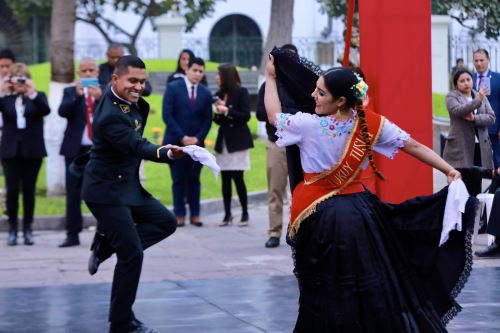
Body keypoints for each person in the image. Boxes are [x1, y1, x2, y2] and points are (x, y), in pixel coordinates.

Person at [264, 48, 474, 332]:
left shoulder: (307, 125)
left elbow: (274, 115)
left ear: (340, 101)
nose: (313, 95)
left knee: (324, 286)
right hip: (362, 216)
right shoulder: (371, 124)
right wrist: (447, 169)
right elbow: (412, 146)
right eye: (316, 90)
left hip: (321, 217)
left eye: (321, 93)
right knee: (369, 283)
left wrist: (270, 78)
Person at [82, 55, 184, 333]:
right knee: (132, 255)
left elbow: (138, 99)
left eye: (142, 81)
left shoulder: (123, 97)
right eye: (132, 81)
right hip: (105, 192)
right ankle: (121, 322)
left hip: (125, 186)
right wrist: (166, 151)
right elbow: (137, 144)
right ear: (114, 79)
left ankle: (107, 243)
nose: (139, 87)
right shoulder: (110, 117)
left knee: (166, 222)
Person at [0, 63, 50, 246]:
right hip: (10, 152)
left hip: (32, 151)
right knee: (12, 191)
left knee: (29, 191)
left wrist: (32, 92)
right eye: (16, 78)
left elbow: (46, 110)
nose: (19, 83)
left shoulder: (37, 97)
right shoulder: (5, 99)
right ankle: (13, 228)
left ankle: (28, 228)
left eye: (23, 78)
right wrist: (2, 90)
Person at [57, 58, 103, 247]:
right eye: (83, 71)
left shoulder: (106, 91)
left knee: (101, 193)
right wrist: (77, 96)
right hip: (75, 151)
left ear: (97, 73)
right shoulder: (70, 91)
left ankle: (104, 234)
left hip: (99, 150)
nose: (87, 74)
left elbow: (117, 113)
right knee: (73, 194)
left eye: (91, 70)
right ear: (78, 73)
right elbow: (62, 112)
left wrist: (100, 98)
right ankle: (72, 234)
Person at [162, 57, 212, 227]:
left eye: (201, 71)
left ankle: (195, 214)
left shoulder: (205, 92)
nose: (198, 74)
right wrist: (182, 137)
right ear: (187, 70)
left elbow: (207, 119)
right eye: (195, 70)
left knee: (194, 179)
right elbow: (167, 115)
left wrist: (198, 138)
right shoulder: (173, 88)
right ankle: (179, 214)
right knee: (178, 179)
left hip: (197, 145)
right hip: (176, 143)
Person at [257, 44, 297, 246]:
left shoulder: (300, 84)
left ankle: (298, 230)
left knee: (299, 190)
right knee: (275, 190)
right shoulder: (268, 86)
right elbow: (261, 114)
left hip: (299, 145)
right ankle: (274, 232)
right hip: (277, 143)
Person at [443, 68, 495, 197]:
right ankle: (459, 215)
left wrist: (475, 118)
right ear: (456, 84)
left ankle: (474, 214)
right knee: (460, 188)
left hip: (479, 148)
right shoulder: (452, 96)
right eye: (462, 81)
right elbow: (459, 111)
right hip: (460, 149)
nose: (466, 83)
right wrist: (478, 100)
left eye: (468, 80)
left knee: (476, 185)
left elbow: (491, 117)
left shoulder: (479, 95)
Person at [213, 63, 254, 227]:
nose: (216, 77)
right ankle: (227, 213)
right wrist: (217, 113)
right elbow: (217, 121)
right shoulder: (219, 94)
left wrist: (227, 110)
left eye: (219, 74)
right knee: (225, 179)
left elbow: (245, 116)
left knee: (238, 178)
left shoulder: (241, 92)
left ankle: (245, 213)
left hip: (237, 142)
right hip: (224, 142)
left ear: (227, 76)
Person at [473, 49, 500, 168]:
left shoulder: (497, 78)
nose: (479, 63)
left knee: (497, 160)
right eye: (476, 60)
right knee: (476, 164)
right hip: (473, 129)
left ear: (488, 60)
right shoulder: (469, 78)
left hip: (494, 128)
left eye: (481, 60)